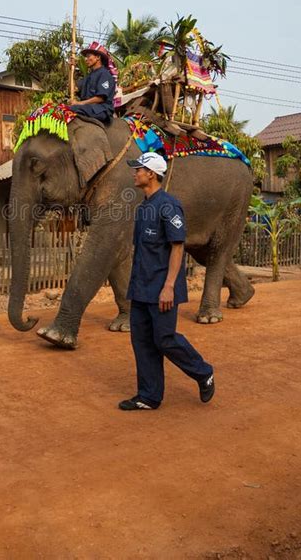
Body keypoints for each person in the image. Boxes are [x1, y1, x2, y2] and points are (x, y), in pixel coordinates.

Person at [119, 152, 215, 410]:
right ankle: (149, 396)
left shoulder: (168, 206)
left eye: (138, 169)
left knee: (164, 338)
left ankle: (203, 372)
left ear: (151, 174)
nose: (134, 173)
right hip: (140, 287)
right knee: (141, 341)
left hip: (162, 288)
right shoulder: (142, 208)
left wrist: (169, 286)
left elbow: (177, 247)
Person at [69, 42, 116, 123]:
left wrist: (79, 103)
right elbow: (73, 89)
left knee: (72, 109)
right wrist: (70, 69)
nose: (86, 59)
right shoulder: (88, 76)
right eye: (85, 57)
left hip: (101, 109)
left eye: (88, 56)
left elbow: (100, 98)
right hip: (87, 108)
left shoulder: (104, 74)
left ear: (98, 57)